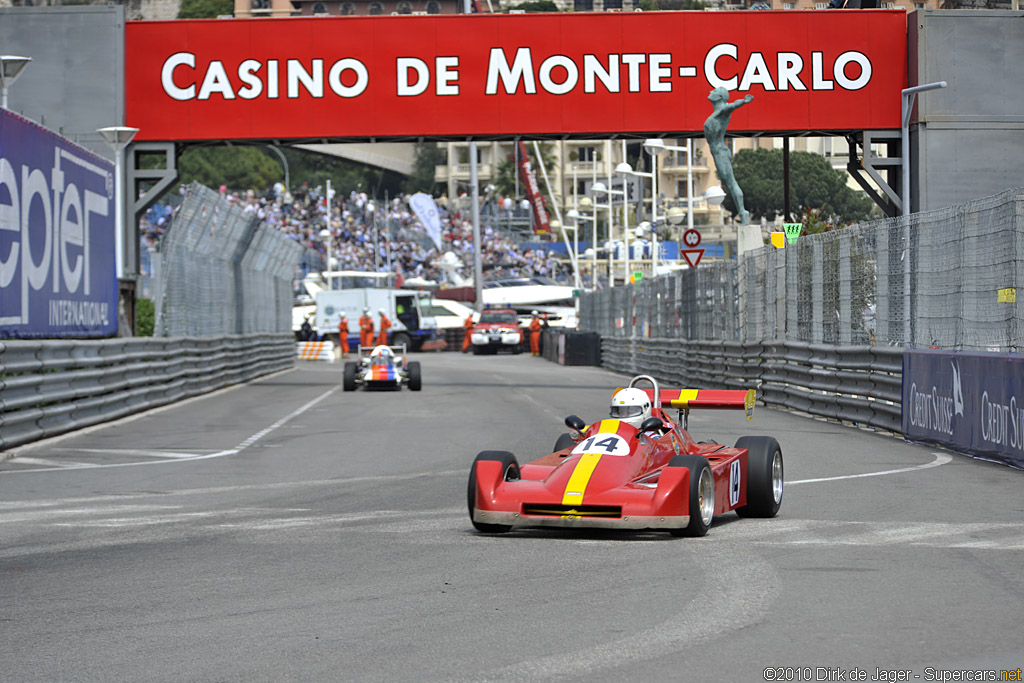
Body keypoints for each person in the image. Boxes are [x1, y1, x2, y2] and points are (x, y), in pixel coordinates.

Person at [703, 87, 754, 226]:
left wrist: (743, 101)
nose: (709, 92)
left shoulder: (722, 111)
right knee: (729, 182)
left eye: (713, 91)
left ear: (719, 96)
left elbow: (731, 106)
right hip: (716, 151)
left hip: (719, 151)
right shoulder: (718, 112)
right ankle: (742, 211)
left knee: (730, 182)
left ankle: (743, 212)